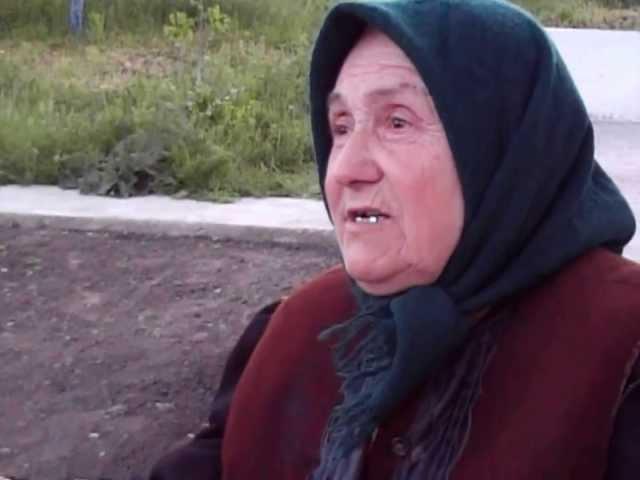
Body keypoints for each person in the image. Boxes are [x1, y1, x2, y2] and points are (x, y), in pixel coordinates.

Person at [150, 0, 640, 478]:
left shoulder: (619, 351)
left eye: (397, 122)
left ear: (507, 149)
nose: (345, 169)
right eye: (341, 127)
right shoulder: (300, 329)